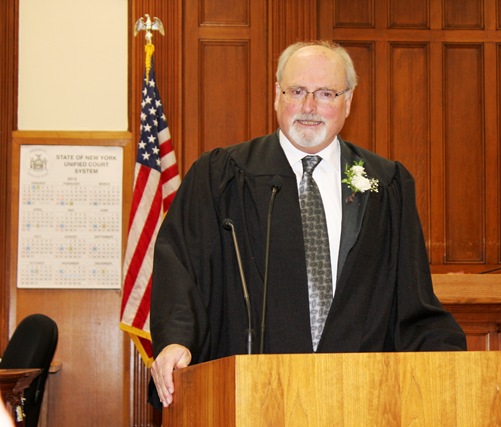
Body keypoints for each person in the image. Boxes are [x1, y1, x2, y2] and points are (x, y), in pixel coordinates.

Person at [149, 40, 466, 408]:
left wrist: (450, 365)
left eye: (326, 93)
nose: (309, 107)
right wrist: (177, 340)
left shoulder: (386, 184)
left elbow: (412, 298)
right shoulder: (221, 176)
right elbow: (181, 267)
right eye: (297, 91)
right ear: (277, 95)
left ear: (348, 101)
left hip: (359, 396)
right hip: (253, 397)